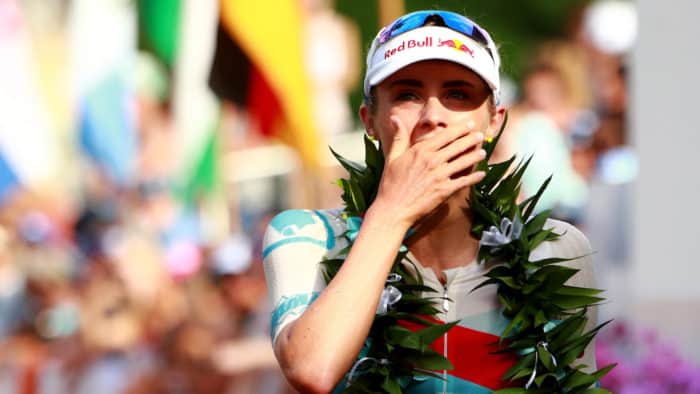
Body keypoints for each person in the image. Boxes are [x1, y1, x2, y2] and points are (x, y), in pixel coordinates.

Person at [262, 10, 598, 393]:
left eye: (458, 94)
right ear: (369, 119)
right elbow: (312, 369)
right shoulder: (308, 237)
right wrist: (392, 213)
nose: (432, 116)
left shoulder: (558, 249)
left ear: (494, 121)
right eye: (407, 94)